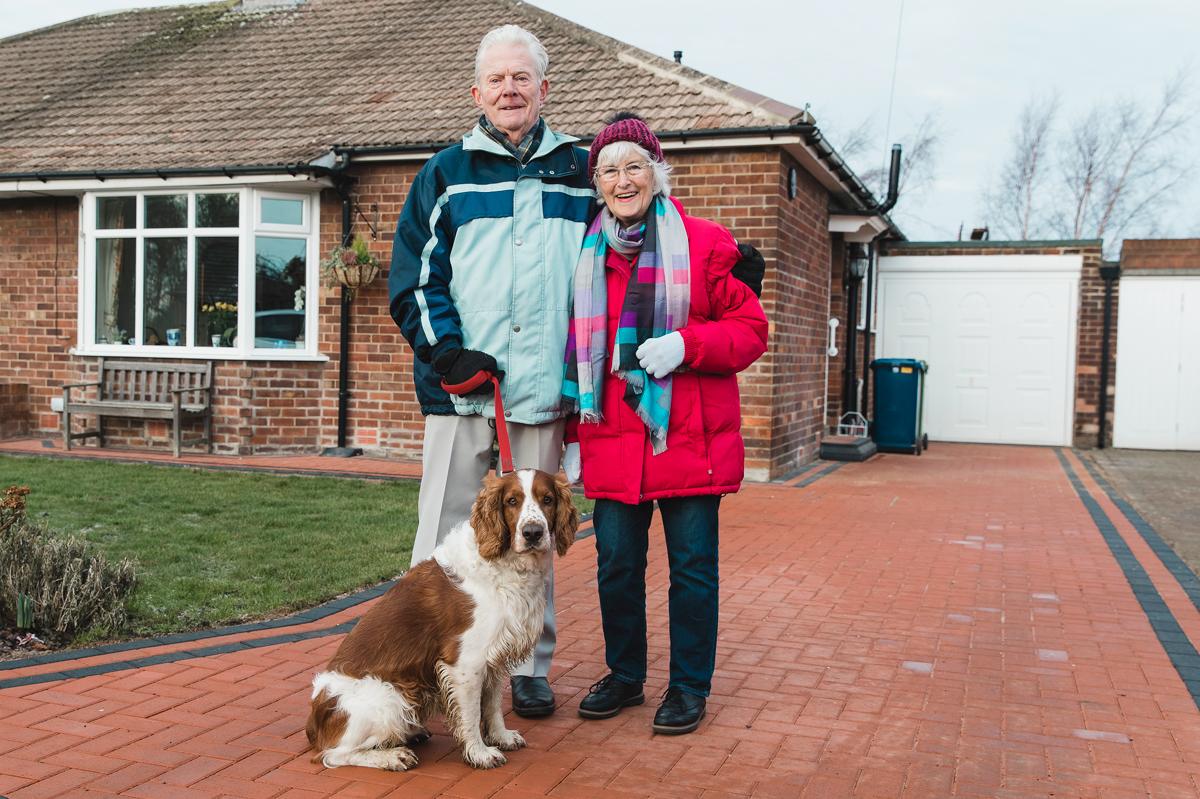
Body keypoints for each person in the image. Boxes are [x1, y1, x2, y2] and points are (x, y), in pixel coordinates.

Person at [388, 24, 593, 718]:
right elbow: (416, 276)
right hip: (458, 392)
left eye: (522, 77)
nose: (510, 89)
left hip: (538, 396)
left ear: (544, 87)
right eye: (496, 79)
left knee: (532, 539)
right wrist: (446, 349)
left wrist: (721, 263)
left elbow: (638, 234)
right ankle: (418, 662)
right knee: (444, 538)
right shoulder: (444, 173)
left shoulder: (582, 170)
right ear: (477, 92)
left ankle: (526, 665)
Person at [562, 113, 769, 735]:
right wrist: (574, 435)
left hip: (688, 440)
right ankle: (625, 676)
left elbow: (750, 329)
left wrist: (687, 344)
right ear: (596, 183)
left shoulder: (705, 244)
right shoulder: (584, 254)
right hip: (612, 438)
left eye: (634, 167)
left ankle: (687, 688)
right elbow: (571, 347)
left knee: (692, 570)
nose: (623, 181)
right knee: (616, 568)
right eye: (609, 170)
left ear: (657, 173)